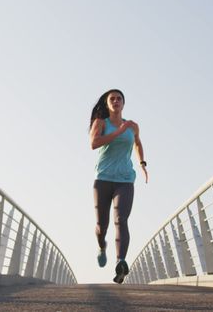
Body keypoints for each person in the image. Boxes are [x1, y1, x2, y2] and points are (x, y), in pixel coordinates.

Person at [89, 89, 148, 284]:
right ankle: (102, 246)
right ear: (107, 104)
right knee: (102, 225)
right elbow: (94, 144)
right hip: (103, 179)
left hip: (125, 180)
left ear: (123, 103)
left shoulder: (132, 126)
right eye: (112, 99)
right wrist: (119, 132)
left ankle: (120, 261)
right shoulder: (101, 123)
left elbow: (137, 143)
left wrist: (142, 164)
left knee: (121, 219)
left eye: (119, 98)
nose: (115, 101)